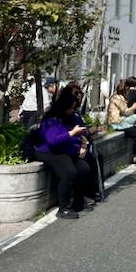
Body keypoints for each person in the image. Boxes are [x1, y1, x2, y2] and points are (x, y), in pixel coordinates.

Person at [35, 90, 91, 219]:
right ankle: (63, 208)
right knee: (69, 173)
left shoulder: (72, 117)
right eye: (70, 108)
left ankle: (78, 201)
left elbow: (83, 131)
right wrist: (72, 133)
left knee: (83, 169)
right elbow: (52, 140)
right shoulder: (51, 120)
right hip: (50, 151)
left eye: (73, 108)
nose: (72, 110)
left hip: (68, 149)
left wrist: (83, 141)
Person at [107, 79, 136, 166]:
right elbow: (125, 112)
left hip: (122, 121)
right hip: (117, 123)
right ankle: (135, 156)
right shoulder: (117, 98)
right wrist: (134, 107)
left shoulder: (120, 97)